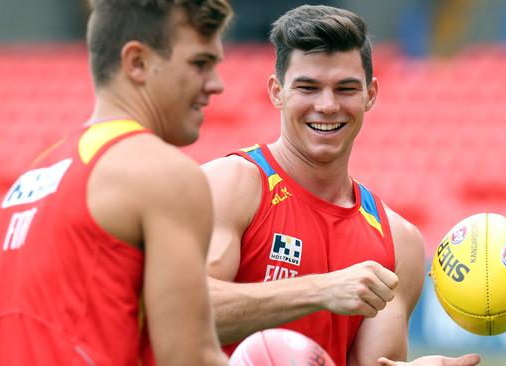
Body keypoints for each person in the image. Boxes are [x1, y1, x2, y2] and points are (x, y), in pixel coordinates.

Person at [202, 4, 480, 366]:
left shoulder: (398, 243)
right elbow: (180, 312)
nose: (328, 105)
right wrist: (321, 289)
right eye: (308, 87)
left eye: (346, 88)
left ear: (371, 94)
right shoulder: (229, 185)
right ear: (276, 91)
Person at [0, 1, 232, 365]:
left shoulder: (30, 179)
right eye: (200, 63)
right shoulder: (162, 172)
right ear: (137, 62)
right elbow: (187, 358)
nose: (217, 84)